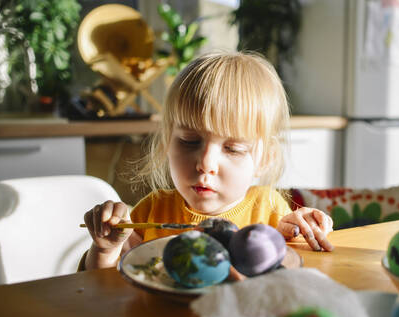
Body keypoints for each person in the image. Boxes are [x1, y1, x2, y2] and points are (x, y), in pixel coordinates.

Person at [82, 52, 334, 271]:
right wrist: (105, 250)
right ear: (167, 143)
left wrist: (303, 232)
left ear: (266, 159)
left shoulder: (268, 210)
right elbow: (101, 289)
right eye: (190, 141)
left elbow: (292, 274)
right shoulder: (151, 212)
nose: (205, 163)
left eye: (233, 149)